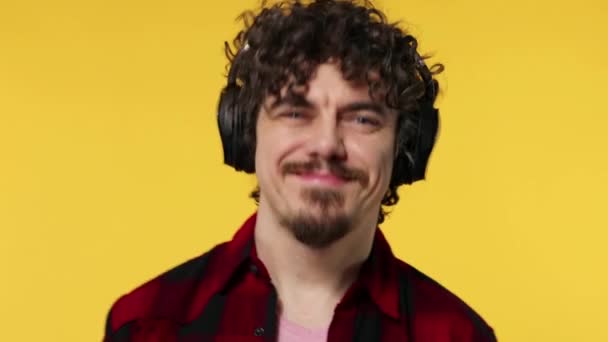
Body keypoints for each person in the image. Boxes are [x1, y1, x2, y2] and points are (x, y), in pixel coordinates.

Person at [103, 0, 497, 341]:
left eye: (362, 119)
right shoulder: (145, 326)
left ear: (405, 149)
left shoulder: (456, 335)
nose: (326, 144)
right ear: (243, 132)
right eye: (295, 112)